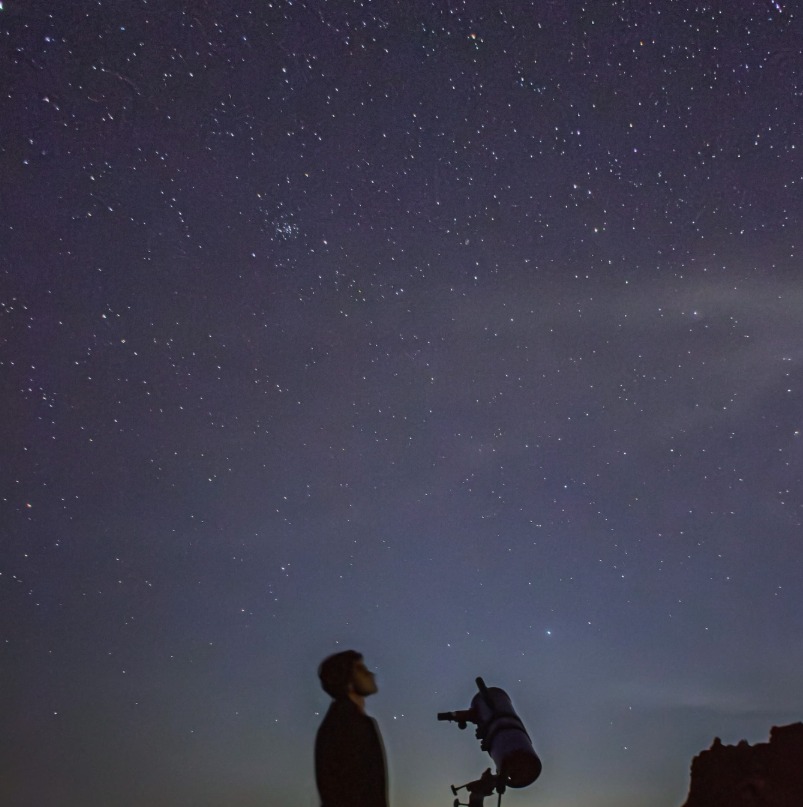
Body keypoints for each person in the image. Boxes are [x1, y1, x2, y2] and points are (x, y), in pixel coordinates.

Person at [315, 650, 388, 807]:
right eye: (361, 669)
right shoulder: (348, 724)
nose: (370, 674)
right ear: (346, 680)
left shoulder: (340, 721)